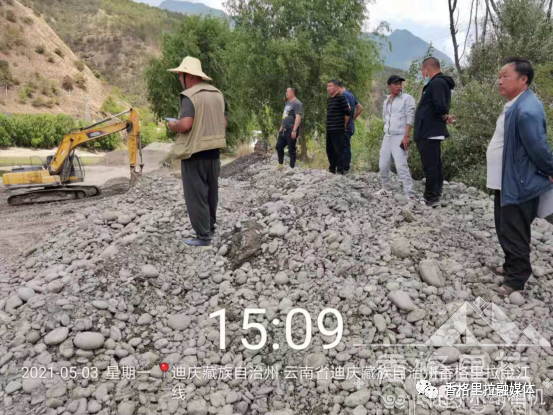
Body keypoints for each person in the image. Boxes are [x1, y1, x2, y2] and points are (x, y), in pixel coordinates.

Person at [486, 57, 553, 297]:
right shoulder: (515, 105)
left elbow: (539, 148)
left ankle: (516, 280)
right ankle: (510, 266)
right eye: (499, 76)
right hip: (506, 181)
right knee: (505, 227)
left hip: (518, 182)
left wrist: (551, 170)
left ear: (523, 79)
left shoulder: (527, 109)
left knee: (514, 230)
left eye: (505, 76)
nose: (500, 81)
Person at [167, 56, 227, 248]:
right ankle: (209, 227)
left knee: (196, 195)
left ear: (189, 75)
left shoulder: (190, 95)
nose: (179, 78)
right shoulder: (217, 94)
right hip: (214, 153)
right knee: (211, 192)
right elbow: (223, 122)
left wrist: (172, 125)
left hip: (194, 153)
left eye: (180, 75)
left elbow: (186, 124)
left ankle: (203, 236)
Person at [413, 57, 455, 207]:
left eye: (422, 70)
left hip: (429, 130)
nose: (422, 73)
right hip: (431, 129)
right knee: (435, 164)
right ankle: (436, 194)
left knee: (430, 166)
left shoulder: (437, 83)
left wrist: (444, 117)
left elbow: (440, 105)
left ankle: (430, 198)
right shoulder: (439, 83)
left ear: (427, 68)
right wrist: (445, 117)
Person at [375, 75, 417, 200]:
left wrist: (406, 137)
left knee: (401, 166)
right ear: (389, 86)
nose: (399, 86)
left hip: (400, 136)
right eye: (396, 84)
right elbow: (385, 118)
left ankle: (409, 194)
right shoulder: (386, 101)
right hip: (387, 136)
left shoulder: (407, 98)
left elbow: (410, 119)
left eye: (400, 84)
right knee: (383, 165)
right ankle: (386, 189)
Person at [326, 80, 351, 175]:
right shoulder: (330, 99)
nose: (328, 88)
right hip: (330, 128)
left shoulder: (341, 98)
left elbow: (347, 112)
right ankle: (332, 169)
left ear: (336, 87)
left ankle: (340, 170)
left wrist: (344, 124)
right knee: (330, 150)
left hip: (338, 128)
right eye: (327, 86)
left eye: (330, 86)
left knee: (339, 150)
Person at [276, 87, 302, 169]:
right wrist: (281, 126)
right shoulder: (287, 103)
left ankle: (291, 168)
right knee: (279, 146)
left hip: (291, 129)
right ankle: (280, 164)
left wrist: (294, 130)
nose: (286, 93)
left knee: (291, 149)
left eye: (287, 92)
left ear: (292, 93)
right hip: (284, 129)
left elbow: (298, 117)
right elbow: (285, 115)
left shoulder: (297, 103)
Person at [339, 84, 363, 173]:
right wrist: (353, 118)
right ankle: (345, 169)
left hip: (345, 126)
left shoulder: (343, 95)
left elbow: (347, 109)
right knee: (346, 146)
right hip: (350, 125)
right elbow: (360, 108)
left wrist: (344, 123)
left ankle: (343, 169)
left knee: (343, 147)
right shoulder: (351, 95)